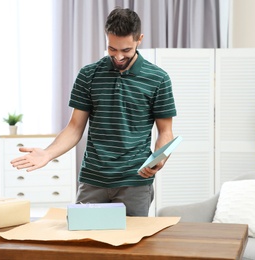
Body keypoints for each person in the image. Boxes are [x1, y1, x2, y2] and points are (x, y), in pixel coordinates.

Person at [10, 7, 176, 216]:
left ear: (139, 39)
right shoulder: (88, 74)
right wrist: (48, 154)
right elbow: (74, 127)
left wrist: (160, 158)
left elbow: (166, 132)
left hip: (135, 181)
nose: (118, 56)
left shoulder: (158, 78)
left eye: (125, 50)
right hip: (93, 180)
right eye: (112, 49)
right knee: (85, 240)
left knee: (132, 245)